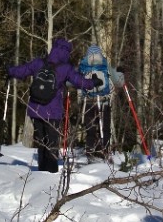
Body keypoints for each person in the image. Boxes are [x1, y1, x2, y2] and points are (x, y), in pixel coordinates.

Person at [8, 38, 102, 173]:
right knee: (52, 143)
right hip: (52, 112)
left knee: (41, 142)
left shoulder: (39, 63)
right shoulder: (65, 68)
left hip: (35, 110)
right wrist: (93, 82)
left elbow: (22, 70)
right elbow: (79, 82)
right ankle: (50, 174)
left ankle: (41, 172)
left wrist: (10, 70)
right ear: (66, 52)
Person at [79, 45, 115, 162]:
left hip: (88, 102)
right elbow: (117, 81)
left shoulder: (83, 66)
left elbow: (72, 81)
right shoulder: (105, 65)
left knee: (90, 129)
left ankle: (90, 152)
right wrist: (120, 74)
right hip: (104, 101)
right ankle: (103, 151)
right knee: (104, 128)